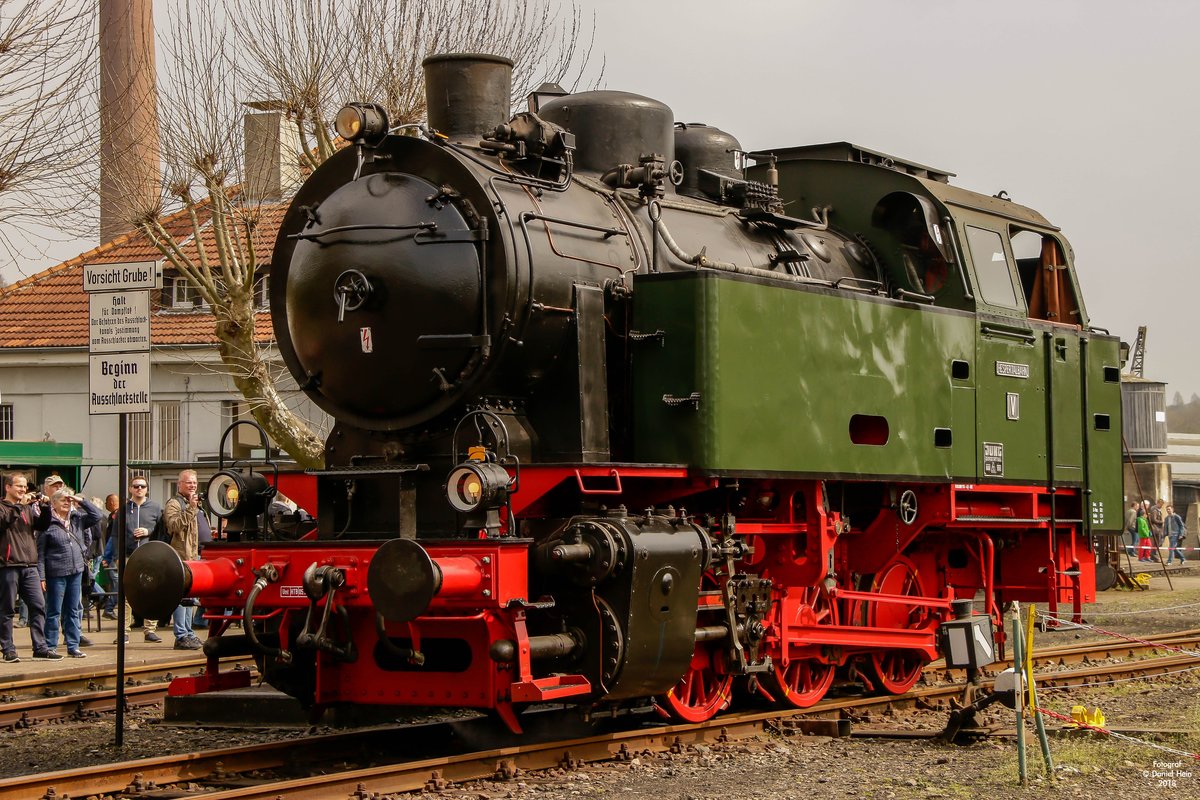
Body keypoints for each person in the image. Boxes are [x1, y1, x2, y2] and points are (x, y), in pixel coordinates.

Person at [35, 488, 101, 658]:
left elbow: (97, 515)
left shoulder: (77, 519)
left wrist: (80, 500)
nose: (67, 502)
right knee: (54, 611)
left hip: (76, 571)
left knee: (73, 610)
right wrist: (41, 576)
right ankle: (50, 645)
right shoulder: (47, 523)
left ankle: (73, 645)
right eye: (63, 499)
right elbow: (40, 554)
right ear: (53, 503)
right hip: (55, 572)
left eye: (68, 500)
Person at [0, 473, 57, 662]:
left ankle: (40, 647)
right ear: (7, 487)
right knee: (7, 609)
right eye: (19, 486)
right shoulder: (3, 507)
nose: (23, 490)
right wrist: (19, 505)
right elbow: (4, 522)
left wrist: (45, 507)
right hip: (8, 565)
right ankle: (8, 648)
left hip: (30, 565)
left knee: (38, 606)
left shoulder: (27, 508)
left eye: (25, 487)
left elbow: (42, 526)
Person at [101, 477, 163, 644]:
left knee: (151, 592)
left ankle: (150, 630)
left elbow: (161, 531)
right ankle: (123, 631)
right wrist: (114, 557)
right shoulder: (122, 510)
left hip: (149, 556)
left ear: (147, 489)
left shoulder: (156, 508)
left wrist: (147, 531)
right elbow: (114, 535)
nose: (139, 489)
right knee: (127, 594)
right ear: (130, 489)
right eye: (136, 486)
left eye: (142, 486)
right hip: (128, 556)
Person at [162, 469, 203, 650]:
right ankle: (181, 635)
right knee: (180, 597)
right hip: (179, 557)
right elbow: (173, 526)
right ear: (180, 484)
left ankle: (189, 632)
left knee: (190, 597)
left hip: (192, 557)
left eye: (194, 483)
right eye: (189, 483)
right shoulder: (174, 503)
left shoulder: (192, 503)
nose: (192, 486)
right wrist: (191, 509)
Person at [99, 494, 120, 619]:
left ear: (112, 502)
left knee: (117, 584)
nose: (105, 504)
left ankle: (109, 607)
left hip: (114, 556)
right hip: (113, 556)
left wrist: (106, 557)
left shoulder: (116, 516)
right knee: (115, 584)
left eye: (107, 501)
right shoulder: (113, 516)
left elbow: (113, 538)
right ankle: (109, 607)